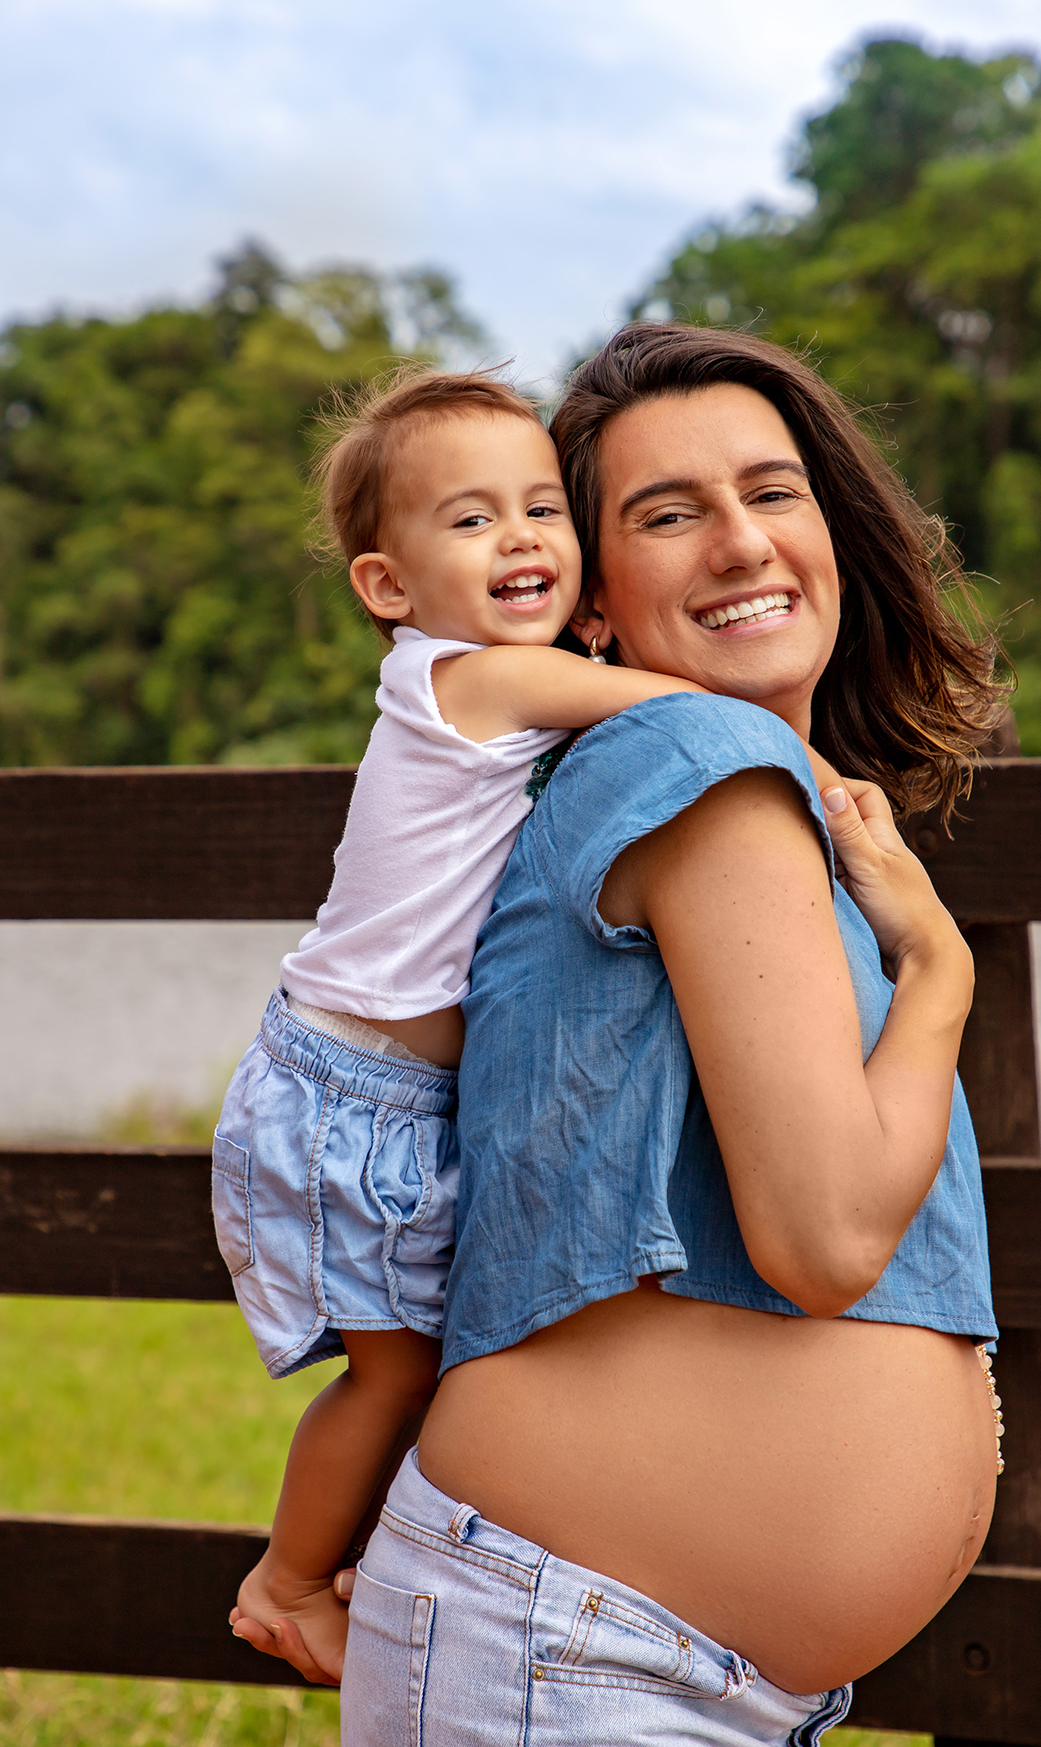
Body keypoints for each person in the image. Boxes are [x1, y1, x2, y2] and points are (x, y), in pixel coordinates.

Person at [338, 324, 1007, 1746]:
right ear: (589, 597)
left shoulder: (703, 782)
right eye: (665, 514)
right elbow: (823, 1240)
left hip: (621, 1655)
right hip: (583, 1655)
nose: (741, 544)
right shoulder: (697, 760)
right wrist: (941, 966)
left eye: (773, 493)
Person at [211, 368, 704, 1684]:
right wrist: (805, 764)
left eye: (544, 507)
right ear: (389, 584)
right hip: (349, 1093)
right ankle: (289, 1579)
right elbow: (667, 706)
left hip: (377, 1091)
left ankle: (365, 1563)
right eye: (474, 520)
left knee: (436, 1370)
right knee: (395, 1378)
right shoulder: (476, 679)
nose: (526, 539)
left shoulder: (483, 683)